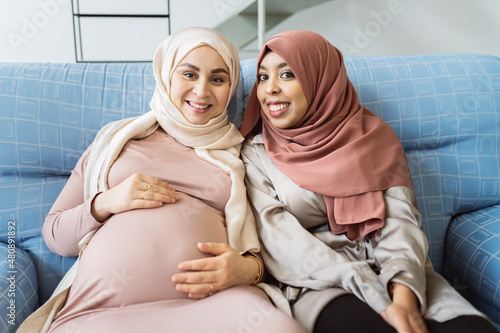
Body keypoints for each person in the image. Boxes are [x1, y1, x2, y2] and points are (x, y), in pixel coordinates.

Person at [17, 27, 305, 333]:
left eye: (217, 79)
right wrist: (106, 202)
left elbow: (269, 246)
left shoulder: (244, 153)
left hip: (215, 304)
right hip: (105, 309)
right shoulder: (116, 141)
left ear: (230, 87)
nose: (202, 91)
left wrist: (248, 269)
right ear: (166, 74)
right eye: (189, 74)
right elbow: (54, 235)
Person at [240, 30, 498, 333]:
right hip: (319, 283)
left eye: (287, 74)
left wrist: (404, 298)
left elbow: (400, 223)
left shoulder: (372, 137)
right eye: (262, 77)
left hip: (403, 273)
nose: (270, 89)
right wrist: (376, 298)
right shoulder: (255, 155)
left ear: (320, 80)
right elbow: (284, 245)